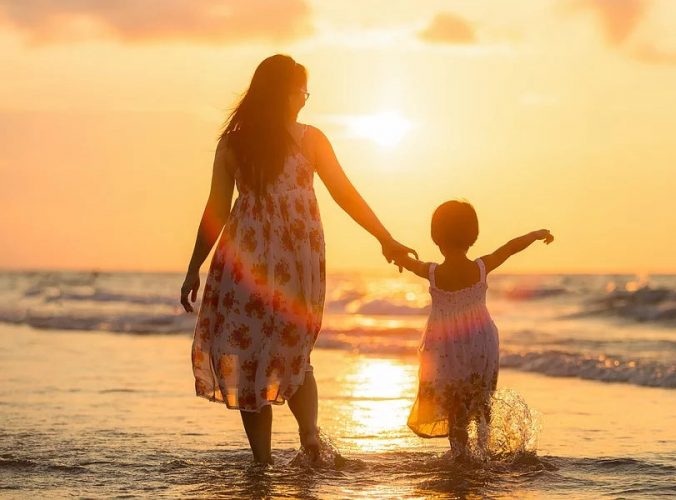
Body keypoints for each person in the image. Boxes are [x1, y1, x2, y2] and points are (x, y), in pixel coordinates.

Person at [180, 54, 416, 465]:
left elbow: (216, 209)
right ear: (286, 93)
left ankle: (263, 462)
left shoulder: (235, 142)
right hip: (294, 258)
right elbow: (344, 193)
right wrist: (385, 239)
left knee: (249, 353)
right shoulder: (308, 139)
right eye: (302, 91)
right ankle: (309, 441)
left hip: (245, 260)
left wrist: (194, 266)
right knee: (293, 350)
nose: (305, 100)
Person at [393, 200, 554, 459]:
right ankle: (483, 451)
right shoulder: (480, 267)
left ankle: (461, 455)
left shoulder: (433, 272)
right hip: (481, 342)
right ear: (473, 235)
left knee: (455, 405)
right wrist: (535, 235)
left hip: (446, 347)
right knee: (481, 399)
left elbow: (408, 262)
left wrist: (395, 254)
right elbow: (511, 248)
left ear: (436, 237)